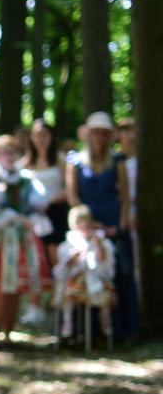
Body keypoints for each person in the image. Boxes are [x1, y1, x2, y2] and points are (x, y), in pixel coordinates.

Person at [0, 135, 49, 349]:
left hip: (20, 240)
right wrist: (15, 216)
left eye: (12, 152)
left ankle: (8, 333)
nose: (8, 156)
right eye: (3, 152)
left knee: (15, 289)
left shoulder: (25, 178)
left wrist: (25, 218)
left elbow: (39, 202)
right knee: (0, 288)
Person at [67, 111, 137, 341]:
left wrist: (121, 224)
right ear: (88, 134)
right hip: (86, 222)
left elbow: (125, 197)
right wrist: (87, 223)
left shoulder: (117, 161)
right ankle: (86, 331)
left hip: (113, 223)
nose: (100, 138)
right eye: (96, 133)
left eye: (104, 133)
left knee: (120, 273)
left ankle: (123, 330)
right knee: (86, 271)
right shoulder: (75, 162)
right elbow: (73, 196)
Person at [24, 119, 67, 325]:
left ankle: (58, 303)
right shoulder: (25, 162)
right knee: (35, 260)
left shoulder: (60, 159)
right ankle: (35, 306)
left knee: (55, 259)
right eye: (37, 135)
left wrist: (50, 200)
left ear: (51, 137)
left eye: (44, 135)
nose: (40, 139)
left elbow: (70, 188)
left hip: (55, 214)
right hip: (34, 218)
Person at [55, 205, 116, 345]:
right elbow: (62, 270)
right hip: (75, 283)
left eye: (86, 222)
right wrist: (72, 260)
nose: (83, 226)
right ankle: (67, 323)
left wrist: (99, 246)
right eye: (79, 222)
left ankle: (105, 325)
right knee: (67, 290)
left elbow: (106, 267)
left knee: (102, 290)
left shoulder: (101, 241)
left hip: (97, 280)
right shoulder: (67, 244)